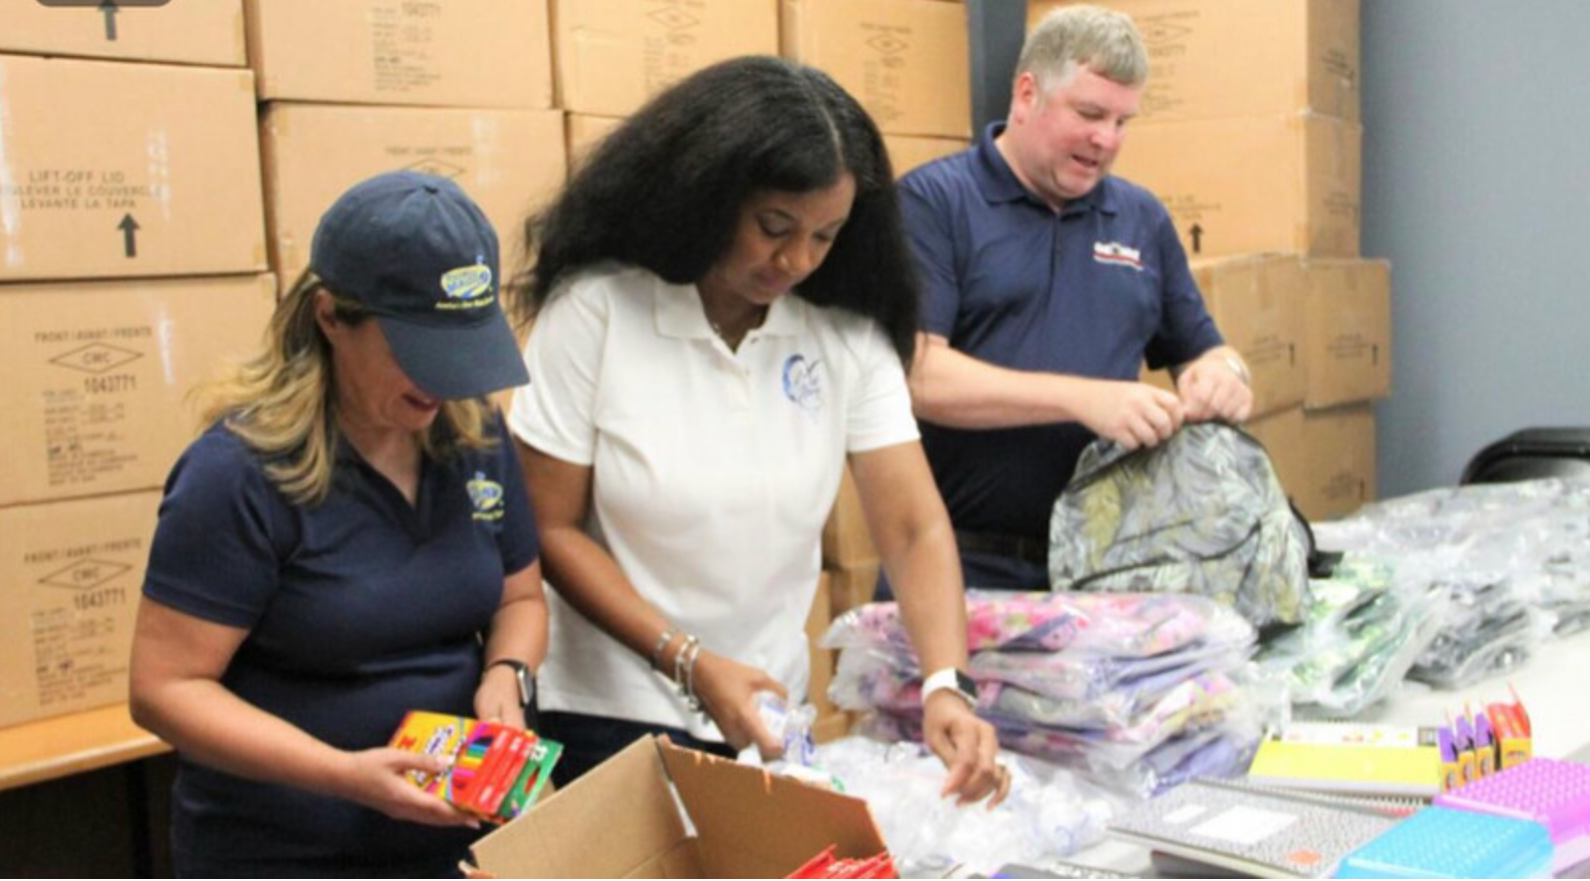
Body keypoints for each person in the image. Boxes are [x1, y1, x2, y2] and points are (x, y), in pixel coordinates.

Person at [507, 55, 1006, 805]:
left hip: (767, 717)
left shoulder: (845, 334)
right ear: (708, 196)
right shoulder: (599, 311)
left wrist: (946, 682)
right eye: (775, 227)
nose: (796, 259)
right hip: (607, 716)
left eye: (825, 236)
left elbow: (911, 526)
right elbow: (549, 527)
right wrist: (690, 661)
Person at [129, 171, 547, 878]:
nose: (444, 385)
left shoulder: (475, 434)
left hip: (456, 837)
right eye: (420, 355)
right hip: (288, 847)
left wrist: (506, 675)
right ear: (330, 317)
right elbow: (164, 688)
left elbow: (520, 597)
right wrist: (343, 772)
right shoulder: (238, 474)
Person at [898, 5, 1255, 591]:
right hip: (959, 569)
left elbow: (1207, 351)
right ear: (1026, 93)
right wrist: (1083, 400)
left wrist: (1226, 375)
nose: (1106, 139)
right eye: (1089, 113)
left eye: (1122, 121)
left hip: (1105, 574)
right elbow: (917, 375)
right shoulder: (935, 203)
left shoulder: (1140, 218)